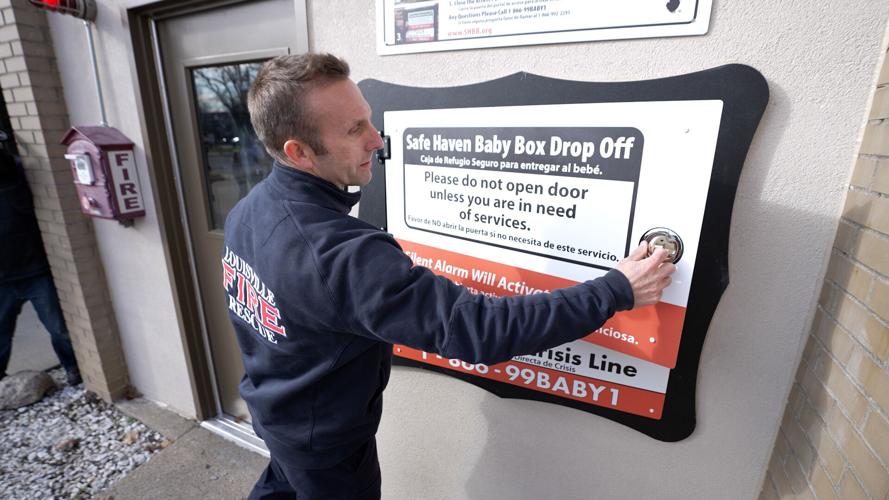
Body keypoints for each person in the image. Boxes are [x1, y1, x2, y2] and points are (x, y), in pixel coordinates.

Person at [223, 53, 675, 500]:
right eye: (354, 129)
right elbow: (478, 330)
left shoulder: (249, 212)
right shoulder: (341, 255)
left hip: (280, 422)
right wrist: (616, 290)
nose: (377, 140)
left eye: (369, 120)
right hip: (328, 452)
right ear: (298, 152)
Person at [0, 131, 81, 386]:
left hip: (34, 268)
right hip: (2, 278)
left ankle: (73, 368)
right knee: (1, 334)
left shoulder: (13, 170)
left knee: (59, 328)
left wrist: (7, 178)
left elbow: (26, 205)